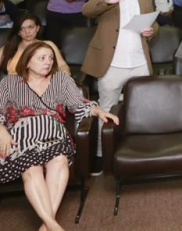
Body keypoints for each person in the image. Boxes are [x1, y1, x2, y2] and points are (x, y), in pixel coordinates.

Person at [0, 42, 118, 231]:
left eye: (50, 58)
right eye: (42, 58)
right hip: (22, 135)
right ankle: (53, 226)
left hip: (52, 132)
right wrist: (1, 130)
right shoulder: (10, 82)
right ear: (28, 61)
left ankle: (47, 226)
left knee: (60, 160)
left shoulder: (61, 80)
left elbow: (79, 104)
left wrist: (99, 111)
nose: (48, 62)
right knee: (31, 168)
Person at [81, 0, 157, 174]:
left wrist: (152, 31)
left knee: (143, 109)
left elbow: (153, 23)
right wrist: (107, 1)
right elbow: (87, 11)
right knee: (106, 109)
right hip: (111, 63)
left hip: (139, 62)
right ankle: (100, 154)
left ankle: (141, 149)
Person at [1, 13, 70, 76]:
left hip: (44, 83)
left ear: (37, 28)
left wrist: (65, 74)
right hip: (14, 84)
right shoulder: (9, 47)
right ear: (18, 32)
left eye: (30, 27)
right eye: (22, 28)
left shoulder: (48, 45)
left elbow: (62, 66)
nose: (27, 31)